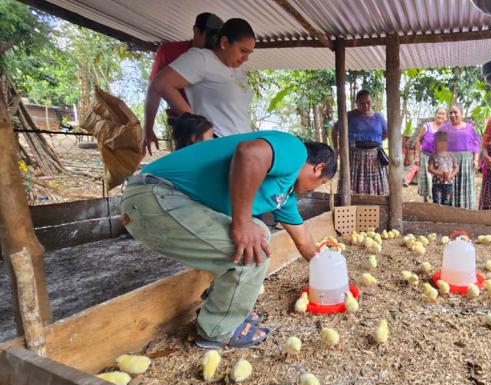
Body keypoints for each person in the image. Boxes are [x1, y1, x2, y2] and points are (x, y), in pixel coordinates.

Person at [121, 131, 336, 348]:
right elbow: (249, 153)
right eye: (322, 182)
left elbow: (302, 237)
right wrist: (242, 222)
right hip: (154, 196)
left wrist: (327, 269)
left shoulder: (283, 195)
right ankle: (218, 330)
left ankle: (221, 310)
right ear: (318, 168)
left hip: (165, 199)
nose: (315, 189)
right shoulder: (296, 150)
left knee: (260, 234)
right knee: (254, 251)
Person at [151, 18, 255, 137]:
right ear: (224, 43)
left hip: (242, 141)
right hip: (218, 140)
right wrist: (197, 126)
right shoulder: (202, 59)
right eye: (243, 51)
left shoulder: (237, 70)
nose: (246, 58)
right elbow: (161, 83)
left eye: (249, 53)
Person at [141, 12, 223, 155]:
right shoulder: (169, 51)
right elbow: (154, 90)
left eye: (216, 39)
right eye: (210, 37)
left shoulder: (218, 59)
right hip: (185, 126)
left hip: (213, 128)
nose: (213, 43)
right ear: (196, 31)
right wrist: (148, 128)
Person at [331, 89, 389, 195]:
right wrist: (336, 147)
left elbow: (387, 132)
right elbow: (335, 130)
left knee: (375, 188)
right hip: (355, 157)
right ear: (356, 103)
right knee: (353, 186)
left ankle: (374, 201)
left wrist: (376, 140)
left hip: (375, 158)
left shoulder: (378, 117)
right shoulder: (349, 116)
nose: (366, 106)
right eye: (362, 103)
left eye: (368, 103)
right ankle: (354, 202)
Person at [441, 104, 481, 209]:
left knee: (465, 185)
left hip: (466, 162)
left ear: (462, 114)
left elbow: (476, 145)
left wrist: (476, 160)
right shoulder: (444, 128)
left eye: (455, 112)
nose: (452, 115)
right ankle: (449, 209)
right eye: (450, 113)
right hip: (449, 162)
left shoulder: (470, 128)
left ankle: (466, 209)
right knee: (449, 185)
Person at [415, 107, 447, 202]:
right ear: (435, 114)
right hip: (425, 156)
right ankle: (425, 200)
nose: (440, 115)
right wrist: (417, 156)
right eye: (439, 113)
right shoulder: (427, 126)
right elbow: (418, 140)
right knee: (427, 179)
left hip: (439, 158)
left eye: (443, 114)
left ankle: (436, 200)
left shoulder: (446, 129)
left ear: (445, 117)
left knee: (437, 179)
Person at [428, 130, 459, 206]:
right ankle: (437, 213)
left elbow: (456, 167)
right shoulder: (433, 156)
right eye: (440, 142)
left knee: (446, 202)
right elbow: (430, 169)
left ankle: (446, 213)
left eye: (445, 142)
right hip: (437, 184)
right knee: (437, 202)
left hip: (449, 184)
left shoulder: (451, 155)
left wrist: (450, 175)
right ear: (435, 143)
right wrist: (441, 174)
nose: (443, 144)